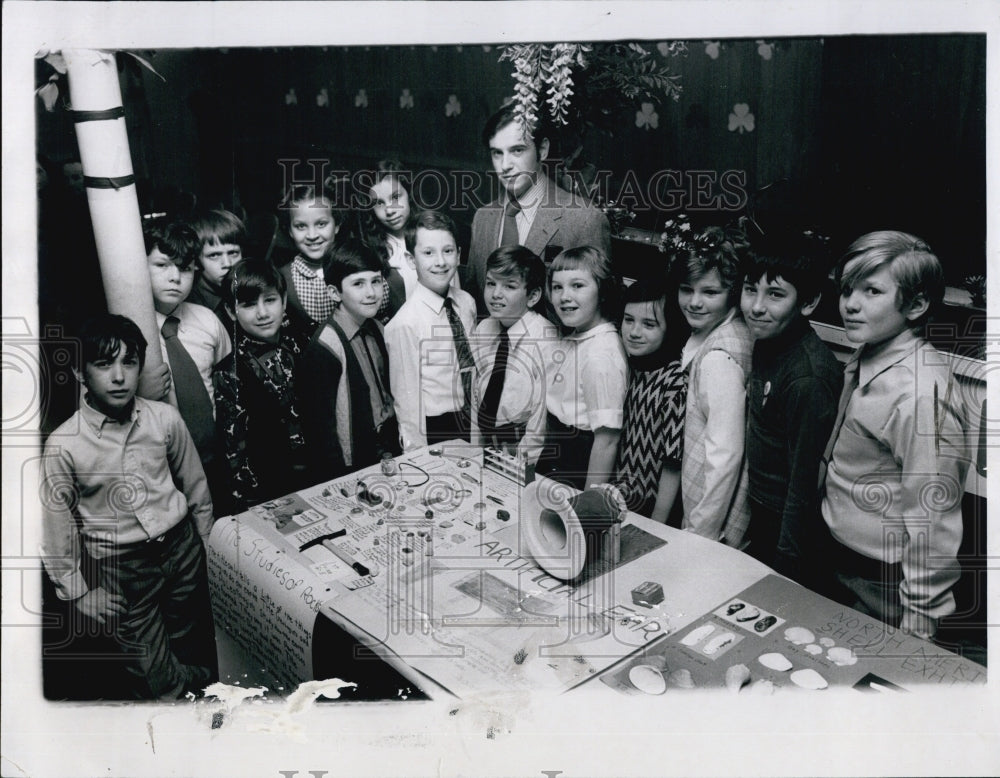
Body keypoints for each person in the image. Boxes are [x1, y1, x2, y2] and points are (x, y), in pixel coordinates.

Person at [39, 314, 218, 699]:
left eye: (129, 362)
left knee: (193, 646)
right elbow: (56, 529)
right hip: (123, 567)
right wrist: (80, 593)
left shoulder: (163, 419)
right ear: (80, 372)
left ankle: (202, 722)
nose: (119, 376)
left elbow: (195, 485)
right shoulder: (63, 445)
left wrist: (205, 544)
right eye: (104, 364)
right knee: (153, 676)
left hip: (182, 548)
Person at [820, 231, 969, 640]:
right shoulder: (870, 350)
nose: (850, 303)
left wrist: (921, 614)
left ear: (916, 305)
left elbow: (932, 516)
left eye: (872, 291)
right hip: (842, 558)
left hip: (881, 580)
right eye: (847, 289)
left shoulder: (921, 394)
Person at [740, 231, 842, 584]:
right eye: (750, 288)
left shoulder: (807, 379)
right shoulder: (767, 340)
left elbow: (804, 484)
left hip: (791, 532)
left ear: (809, 302)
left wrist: (784, 565)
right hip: (761, 513)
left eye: (776, 295)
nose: (756, 306)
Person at [468, 104, 611, 316]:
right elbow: (474, 304)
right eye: (497, 153)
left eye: (517, 150)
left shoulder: (585, 219)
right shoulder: (483, 219)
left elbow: (599, 314)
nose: (505, 165)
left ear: (542, 150)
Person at [212, 259, 311, 513]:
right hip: (272, 495)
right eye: (248, 304)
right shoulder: (229, 373)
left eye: (270, 300)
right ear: (231, 311)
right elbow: (237, 457)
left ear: (284, 301)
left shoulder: (304, 344)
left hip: (321, 476)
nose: (263, 313)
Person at [677, 226, 754, 548]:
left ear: (732, 293)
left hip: (708, 517)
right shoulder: (710, 332)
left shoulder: (719, 358)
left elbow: (725, 453)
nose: (694, 302)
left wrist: (702, 531)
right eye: (686, 289)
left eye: (710, 292)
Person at [298, 240, 401, 481]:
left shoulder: (377, 327)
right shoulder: (325, 347)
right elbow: (320, 429)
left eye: (376, 281)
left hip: (386, 447)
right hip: (352, 462)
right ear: (335, 293)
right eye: (358, 284)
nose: (371, 293)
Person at [144, 219, 231, 498]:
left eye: (184, 268)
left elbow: (227, 386)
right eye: (162, 265)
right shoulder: (128, 332)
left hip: (216, 458)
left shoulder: (207, 321)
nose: (174, 277)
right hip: (162, 468)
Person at [536, 246, 627, 491]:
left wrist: (586, 507)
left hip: (577, 468)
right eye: (558, 287)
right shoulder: (575, 340)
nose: (565, 296)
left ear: (603, 291)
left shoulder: (600, 355)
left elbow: (607, 441)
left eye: (577, 286)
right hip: (553, 462)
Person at [385, 210, 478, 450]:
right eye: (428, 253)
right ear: (411, 260)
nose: (440, 262)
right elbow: (407, 404)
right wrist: (418, 456)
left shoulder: (466, 302)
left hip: (474, 418)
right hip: (437, 428)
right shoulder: (405, 323)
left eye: (447, 251)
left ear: (459, 254)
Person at [470, 245, 554, 466]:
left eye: (509, 286)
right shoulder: (484, 329)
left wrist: (519, 467)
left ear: (533, 295)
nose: (496, 294)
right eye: (491, 283)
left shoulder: (546, 340)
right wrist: (475, 452)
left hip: (521, 455)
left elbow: (539, 422)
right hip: (485, 447)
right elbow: (477, 397)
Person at [614, 278, 689, 522]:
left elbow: (672, 464)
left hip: (651, 507)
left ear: (671, 329)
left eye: (649, 324)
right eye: (628, 320)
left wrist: (657, 523)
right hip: (620, 496)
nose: (634, 332)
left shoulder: (675, 382)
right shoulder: (631, 365)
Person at [357, 158, 462, 324]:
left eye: (396, 197)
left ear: (409, 194)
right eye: (379, 203)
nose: (390, 210)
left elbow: (457, 294)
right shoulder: (371, 249)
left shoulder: (435, 233)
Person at [276, 181, 342, 332]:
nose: (312, 236)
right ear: (290, 231)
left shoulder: (354, 269)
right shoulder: (282, 279)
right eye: (301, 226)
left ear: (337, 225)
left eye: (321, 224)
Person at [188, 208, 247, 328]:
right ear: (196, 261)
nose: (227, 263)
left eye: (233, 253)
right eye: (214, 255)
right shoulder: (191, 308)